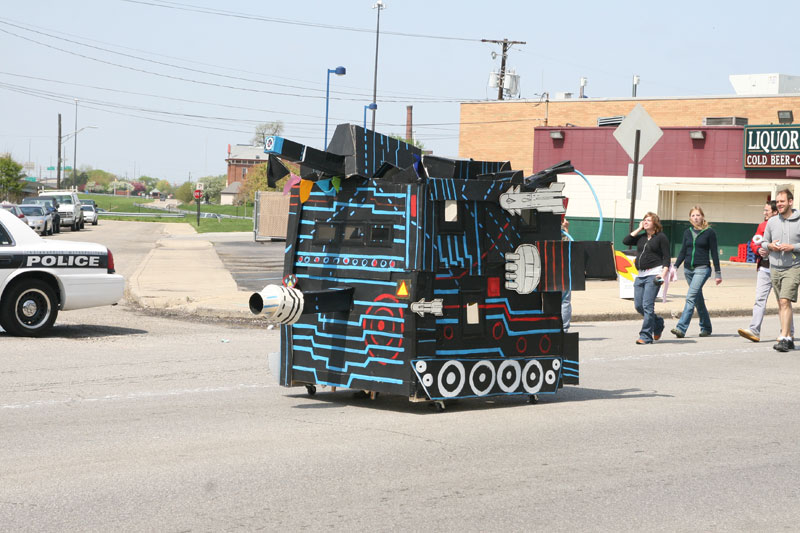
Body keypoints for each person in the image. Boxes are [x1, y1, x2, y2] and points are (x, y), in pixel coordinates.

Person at [738, 201, 794, 342]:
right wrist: (758, 249)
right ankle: (754, 330)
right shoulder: (762, 226)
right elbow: (754, 242)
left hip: (781, 268)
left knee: (783, 302)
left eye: (767, 211)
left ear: (775, 212)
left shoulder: (786, 226)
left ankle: (787, 332)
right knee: (759, 299)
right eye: (764, 210)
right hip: (764, 268)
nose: (764, 213)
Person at [671, 206, 722, 338]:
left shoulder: (709, 232)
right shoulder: (687, 232)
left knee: (690, 297)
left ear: (702, 217)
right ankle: (706, 327)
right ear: (690, 218)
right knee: (698, 299)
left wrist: (718, 273)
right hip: (688, 270)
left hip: (702, 269)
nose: (696, 218)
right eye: (693, 215)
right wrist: (675, 267)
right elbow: (683, 251)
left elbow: (714, 252)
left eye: (698, 215)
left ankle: (681, 328)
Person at [760, 189, 800, 352]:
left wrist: (793, 247)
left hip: (793, 266)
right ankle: (789, 337)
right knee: (781, 303)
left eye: (782, 201)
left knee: (785, 301)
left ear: (790, 202)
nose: (779, 204)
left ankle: (783, 337)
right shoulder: (772, 222)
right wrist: (769, 246)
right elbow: (763, 242)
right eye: (777, 202)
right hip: (774, 267)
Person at [623, 212, 670, 345]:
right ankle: (658, 322)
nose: (646, 222)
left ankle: (646, 336)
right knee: (639, 306)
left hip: (654, 274)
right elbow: (626, 241)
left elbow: (667, 257)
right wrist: (639, 229)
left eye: (648, 220)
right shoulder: (642, 237)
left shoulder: (661, 237)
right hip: (641, 275)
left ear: (655, 223)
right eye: (644, 220)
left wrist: (663, 273)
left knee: (648, 305)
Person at [561, 219, 572, 331]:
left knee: (564, 300)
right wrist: (565, 229)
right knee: (564, 301)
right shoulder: (562, 234)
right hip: (562, 270)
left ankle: (563, 329)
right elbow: (569, 247)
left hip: (560, 270)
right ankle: (564, 329)